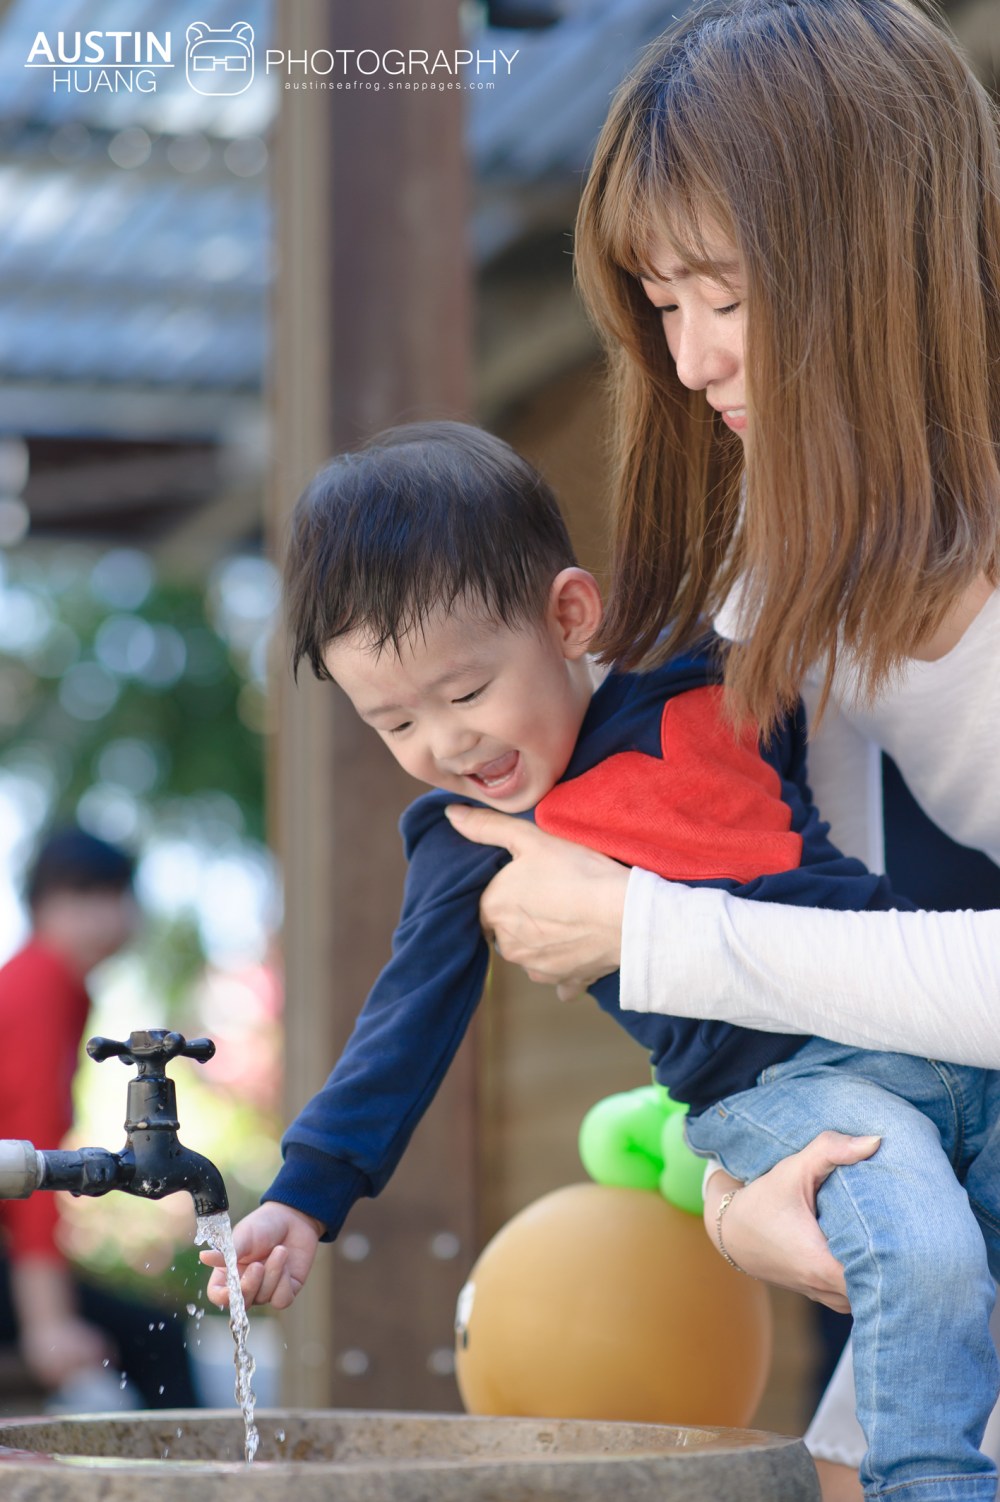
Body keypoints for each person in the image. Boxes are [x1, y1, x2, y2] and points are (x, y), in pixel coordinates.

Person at [203, 421, 1000, 1497]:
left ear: (570, 616)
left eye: (466, 692)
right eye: (393, 722)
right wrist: (304, 1193)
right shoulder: (472, 839)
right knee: (925, 1248)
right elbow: (405, 1022)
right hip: (791, 1087)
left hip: (930, 1016)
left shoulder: (704, 676)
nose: (443, 743)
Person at [434, 0, 1000, 1497]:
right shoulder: (784, 552)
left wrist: (646, 929)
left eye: (723, 295)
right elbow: (806, 926)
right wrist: (733, 1174)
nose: (686, 361)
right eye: (658, 302)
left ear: (873, 264)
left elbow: (740, 940)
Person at [0, 827, 199, 1410]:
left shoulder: (51, 984)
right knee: (158, 1339)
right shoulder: (41, 983)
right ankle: (201, 1466)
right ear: (43, 904)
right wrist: (47, 1322)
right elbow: (30, 1158)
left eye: (116, 896)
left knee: (151, 1329)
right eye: (85, 896)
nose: (108, 916)